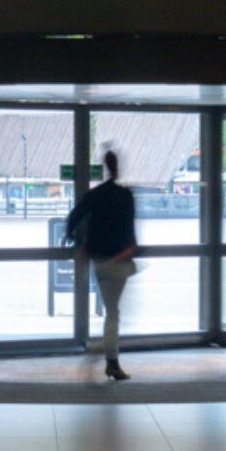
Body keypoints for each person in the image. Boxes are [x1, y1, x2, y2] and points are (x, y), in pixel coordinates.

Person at [63, 147, 139, 382]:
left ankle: (106, 356)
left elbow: (74, 216)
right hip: (119, 261)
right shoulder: (125, 195)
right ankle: (109, 360)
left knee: (112, 312)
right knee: (114, 315)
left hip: (99, 261)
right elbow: (129, 229)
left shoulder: (96, 194)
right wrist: (130, 247)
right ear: (118, 167)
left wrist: (78, 241)